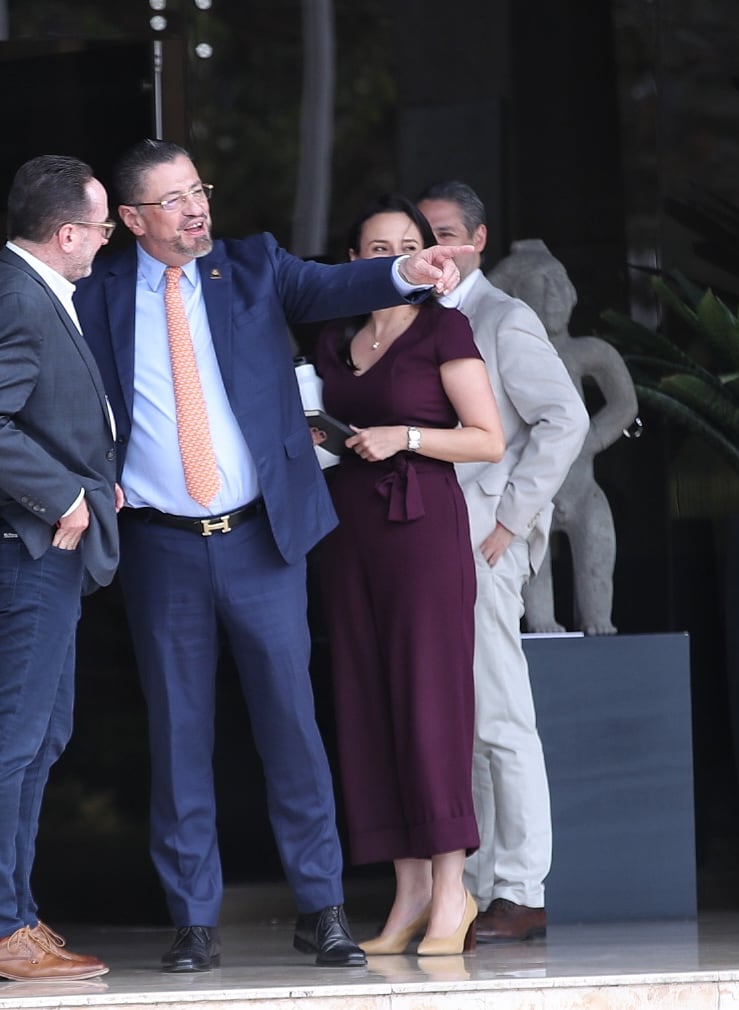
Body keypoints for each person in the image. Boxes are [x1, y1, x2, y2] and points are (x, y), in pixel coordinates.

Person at [71, 140, 472, 973]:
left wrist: (406, 272)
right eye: (173, 199)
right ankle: (192, 920)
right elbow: (34, 323)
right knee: (178, 734)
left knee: (290, 725)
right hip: (159, 547)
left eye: (198, 190)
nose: (195, 208)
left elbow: (334, 284)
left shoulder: (251, 266)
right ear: (134, 220)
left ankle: (321, 908)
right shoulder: (95, 291)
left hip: (258, 539)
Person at [0, 155, 119, 983]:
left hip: (34, 543)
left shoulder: (3, 282)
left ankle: (13, 916)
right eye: (104, 224)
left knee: (39, 735)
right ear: (67, 232)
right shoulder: (12, 292)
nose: (108, 238)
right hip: (30, 545)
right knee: (12, 739)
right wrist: (64, 498)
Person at [312, 194, 505, 957]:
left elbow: (487, 440)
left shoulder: (443, 327)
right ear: (353, 262)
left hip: (421, 527)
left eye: (404, 242)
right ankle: (409, 892)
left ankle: (452, 891)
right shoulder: (334, 337)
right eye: (371, 246)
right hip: (347, 533)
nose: (388, 255)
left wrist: (406, 436)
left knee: (430, 705)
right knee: (365, 704)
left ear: (430, 256)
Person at [416, 182, 589, 943]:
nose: (436, 248)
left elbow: (566, 417)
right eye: (425, 235)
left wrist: (512, 519)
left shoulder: (501, 317)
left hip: (484, 543)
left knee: (500, 718)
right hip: (432, 543)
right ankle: (482, 887)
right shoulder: (423, 316)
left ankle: (520, 889)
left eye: (448, 233)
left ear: (478, 240)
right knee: (466, 721)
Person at [490, 238, 636, 637]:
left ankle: (597, 620)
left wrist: (586, 441)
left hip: (584, 488)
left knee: (598, 557)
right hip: (532, 496)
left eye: (559, 282)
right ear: (517, 297)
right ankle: (543, 624)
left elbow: (624, 403)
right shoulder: (509, 353)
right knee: (539, 605)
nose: (554, 294)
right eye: (541, 284)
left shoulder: (589, 351)